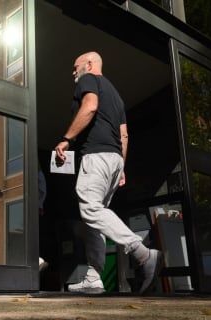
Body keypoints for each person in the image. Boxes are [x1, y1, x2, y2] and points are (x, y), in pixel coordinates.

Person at [54, 51, 163, 295]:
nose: (74, 71)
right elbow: (124, 135)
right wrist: (121, 167)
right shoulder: (116, 96)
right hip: (113, 160)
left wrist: (66, 139)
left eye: (76, 66)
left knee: (90, 210)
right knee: (95, 219)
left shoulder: (88, 80)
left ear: (89, 64)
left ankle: (142, 253)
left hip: (96, 156)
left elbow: (90, 106)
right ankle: (94, 277)